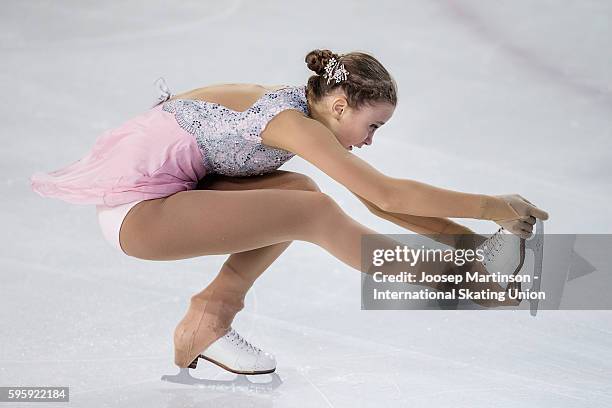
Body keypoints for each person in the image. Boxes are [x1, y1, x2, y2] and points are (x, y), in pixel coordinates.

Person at [30, 48, 549, 375]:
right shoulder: (290, 123)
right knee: (312, 213)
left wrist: (473, 243)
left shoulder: (298, 110)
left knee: (298, 194)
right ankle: (461, 283)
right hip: (137, 214)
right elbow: (387, 194)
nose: (370, 141)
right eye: (372, 127)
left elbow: (377, 200)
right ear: (340, 106)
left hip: (164, 196)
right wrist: (491, 213)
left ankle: (207, 322)